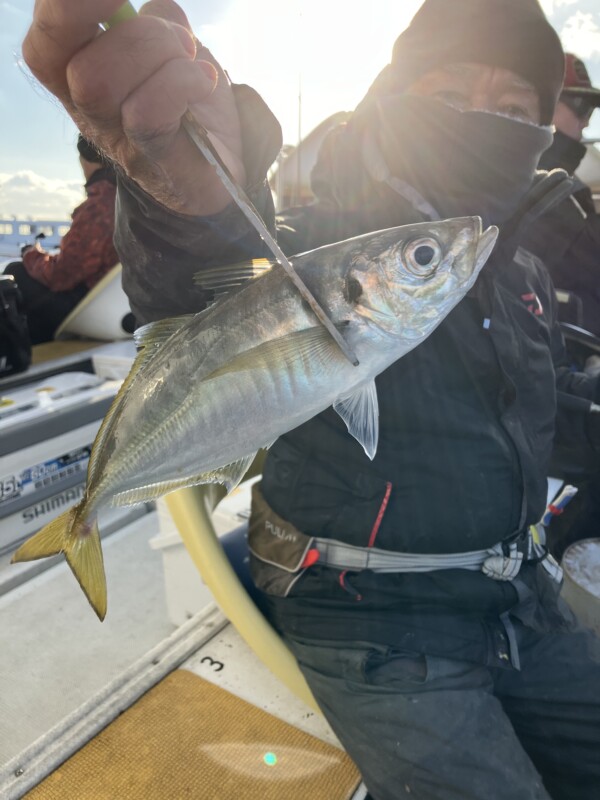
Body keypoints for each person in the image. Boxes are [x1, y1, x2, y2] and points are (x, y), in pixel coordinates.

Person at [22, 1, 600, 798]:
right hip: (372, 622)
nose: (481, 122)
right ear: (396, 101)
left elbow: (547, 407)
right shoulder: (318, 240)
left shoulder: (517, 267)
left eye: (513, 110)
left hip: (523, 601)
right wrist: (180, 208)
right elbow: (204, 284)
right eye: (450, 94)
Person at [3, 134, 119, 344]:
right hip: (115, 301)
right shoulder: (127, 198)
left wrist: (31, 254)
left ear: (85, 160)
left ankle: (27, 345)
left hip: (91, 307)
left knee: (15, 272)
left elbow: (62, 276)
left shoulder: (99, 208)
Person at [521, 53, 600, 336]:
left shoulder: (567, 188)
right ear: (541, 104)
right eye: (581, 107)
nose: (587, 123)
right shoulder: (525, 188)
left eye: (590, 111)